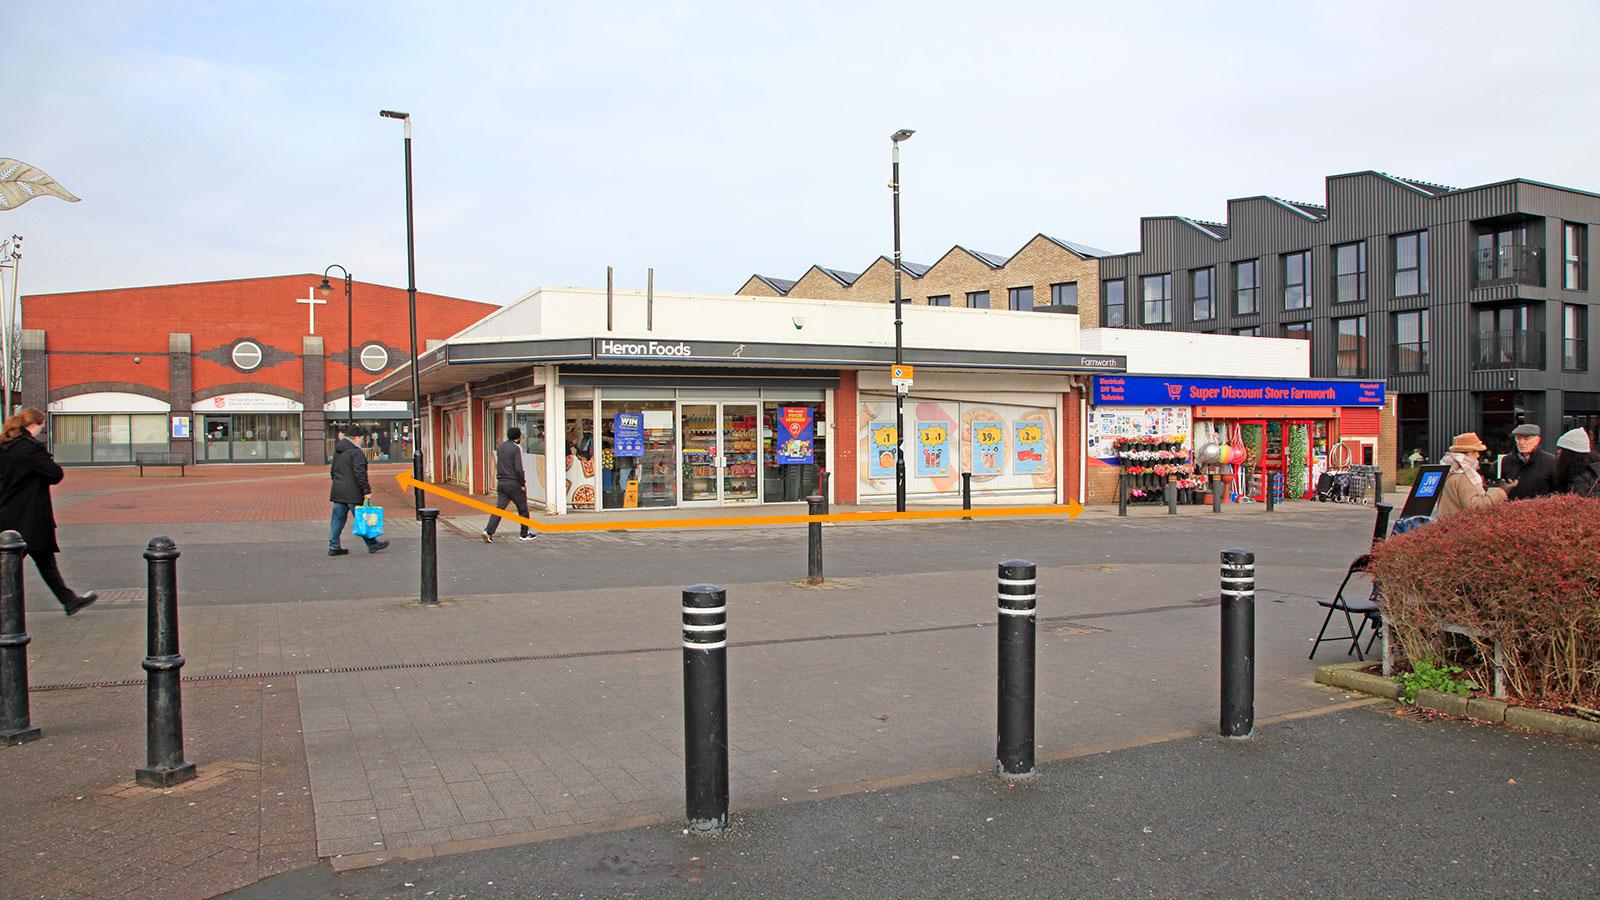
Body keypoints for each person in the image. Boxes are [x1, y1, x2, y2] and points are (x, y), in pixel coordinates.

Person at [0, 408, 97, 615]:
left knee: (43, 561)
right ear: (33, 425)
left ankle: (69, 600)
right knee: (22, 561)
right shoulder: (31, 448)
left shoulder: (5, 446)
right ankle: (69, 600)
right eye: (41, 425)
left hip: (7, 511)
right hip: (30, 515)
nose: (41, 430)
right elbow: (55, 474)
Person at [329, 426, 389, 556]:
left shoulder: (338, 451)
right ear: (357, 438)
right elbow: (360, 473)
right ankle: (372, 544)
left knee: (337, 520)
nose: (362, 440)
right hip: (353, 491)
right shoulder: (356, 452)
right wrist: (366, 490)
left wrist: (338, 482)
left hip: (338, 490)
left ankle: (333, 546)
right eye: (362, 438)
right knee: (362, 518)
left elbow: (333, 471)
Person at [1433, 432, 1507, 519]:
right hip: (1459, 525)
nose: (1478, 455)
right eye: (1476, 451)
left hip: (1446, 523)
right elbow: (1475, 507)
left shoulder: (1448, 470)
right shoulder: (1464, 476)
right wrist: (1502, 492)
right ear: (1469, 453)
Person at [483, 426, 535, 543]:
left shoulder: (500, 447)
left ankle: (488, 531)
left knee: (499, 509)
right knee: (523, 509)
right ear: (518, 437)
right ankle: (524, 534)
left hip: (502, 482)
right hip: (514, 483)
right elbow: (518, 468)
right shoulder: (516, 448)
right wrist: (522, 483)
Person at [1498, 423, 1556, 499]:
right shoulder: (1507, 460)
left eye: (1526, 439)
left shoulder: (1550, 461)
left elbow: (1556, 492)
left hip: (1540, 505)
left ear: (1537, 440)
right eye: (1518, 438)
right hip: (1512, 505)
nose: (1521, 443)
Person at [1552, 427, 1599, 497]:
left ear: (1571, 455)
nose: (1558, 452)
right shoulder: (1590, 473)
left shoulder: (1579, 481)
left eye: (1562, 449)